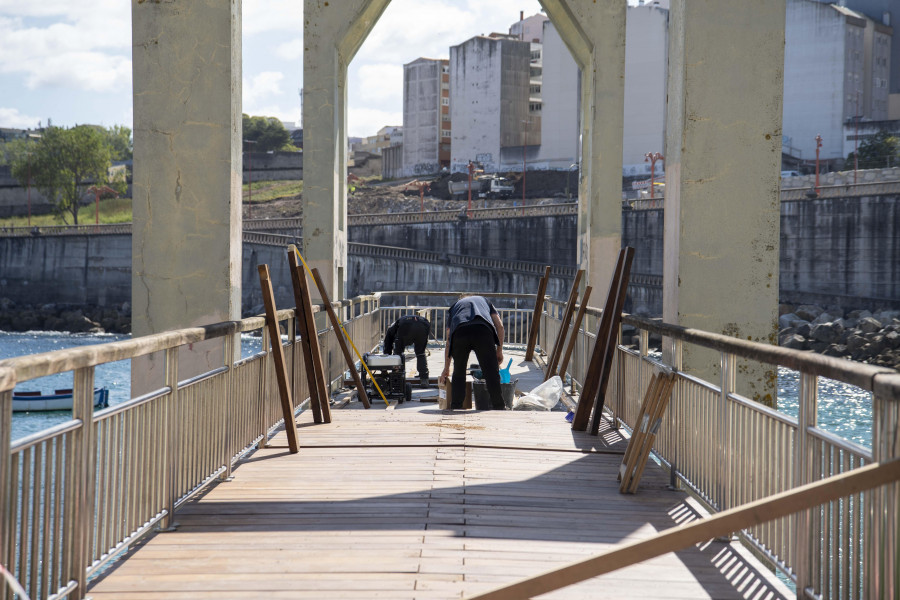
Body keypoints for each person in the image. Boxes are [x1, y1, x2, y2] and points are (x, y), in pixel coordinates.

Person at [438, 295, 505, 410]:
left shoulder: (455, 307)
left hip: (460, 331)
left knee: (459, 371)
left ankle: (456, 406)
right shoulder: (485, 301)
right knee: (491, 371)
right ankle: (499, 406)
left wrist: (446, 368)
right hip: (482, 330)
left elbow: (448, 340)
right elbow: (500, 326)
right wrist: (499, 351)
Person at [383, 314, 431, 385]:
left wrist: (387, 356)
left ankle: (397, 377)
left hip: (405, 327)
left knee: (398, 354)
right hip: (423, 325)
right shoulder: (398, 324)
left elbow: (387, 344)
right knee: (420, 353)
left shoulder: (391, 330)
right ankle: (424, 379)